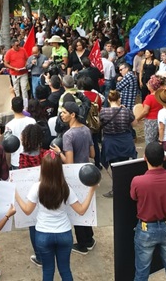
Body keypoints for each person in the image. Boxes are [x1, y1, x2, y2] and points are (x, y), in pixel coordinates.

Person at [14, 151, 97, 281]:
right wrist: (91, 190)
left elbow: (27, 210)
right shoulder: (65, 188)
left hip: (43, 235)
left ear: (43, 168)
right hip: (64, 234)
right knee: (65, 270)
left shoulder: (37, 187)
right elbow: (81, 210)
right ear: (60, 168)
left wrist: (16, 194)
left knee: (48, 271)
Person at [130, 142, 166, 281]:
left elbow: (133, 197)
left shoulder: (138, 181)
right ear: (164, 158)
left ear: (144, 158)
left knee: (141, 272)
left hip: (146, 228)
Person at [50, 101, 96, 255]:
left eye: (63, 112)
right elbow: (92, 154)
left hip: (74, 176)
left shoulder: (68, 135)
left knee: (77, 211)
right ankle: (90, 239)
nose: (61, 115)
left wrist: (58, 153)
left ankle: (83, 244)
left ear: (73, 114)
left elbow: (68, 162)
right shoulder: (86, 130)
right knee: (86, 207)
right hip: (87, 173)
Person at [99, 90, 138, 198]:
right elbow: (134, 124)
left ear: (108, 99)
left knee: (114, 167)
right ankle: (125, 187)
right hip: (125, 142)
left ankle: (116, 188)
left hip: (110, 143)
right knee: (124, 165)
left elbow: (99, 125)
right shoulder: (126, 111)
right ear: (119, 99)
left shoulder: (103, 112)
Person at [4, 97, 36, 169]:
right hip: (32, 158)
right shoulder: (32, 121)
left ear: (12, 108)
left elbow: (7, 145)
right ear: (23, 107)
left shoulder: (9, 125)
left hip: (16, 160)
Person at [134, 75, 164, 146]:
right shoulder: (161, 96)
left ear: (151, 86)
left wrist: (137, 119)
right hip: (160, 120)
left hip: (151, 121)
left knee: (150, 142)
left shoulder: (149, 98)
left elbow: (145, 111)